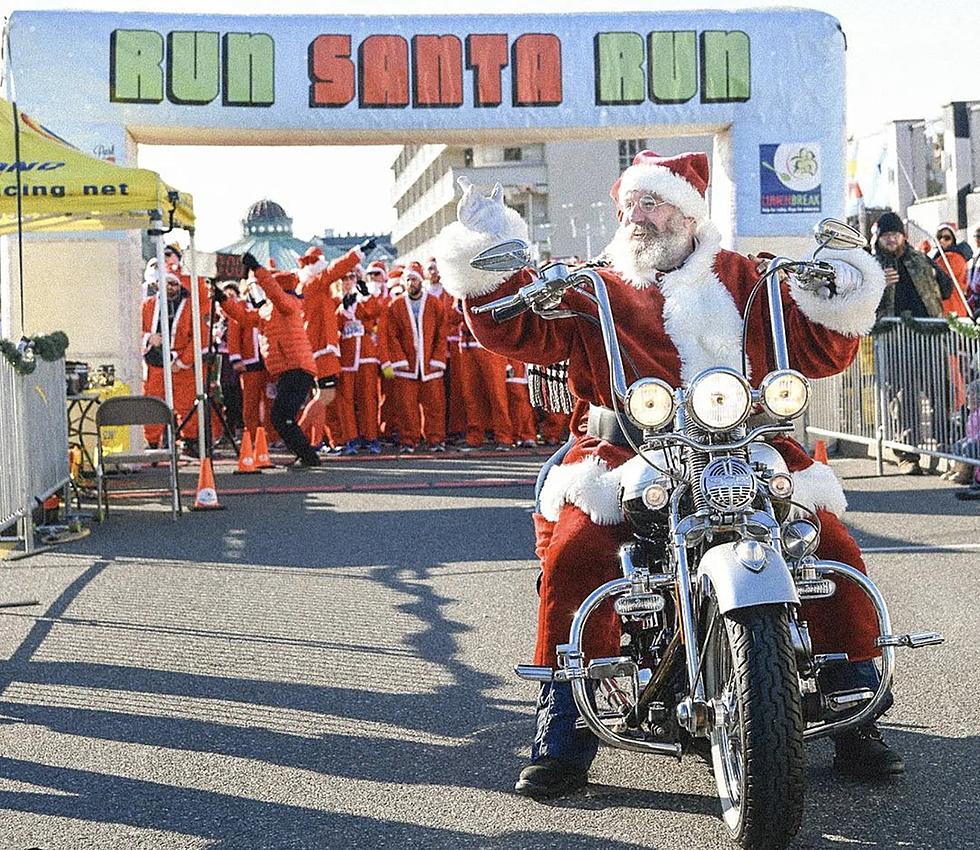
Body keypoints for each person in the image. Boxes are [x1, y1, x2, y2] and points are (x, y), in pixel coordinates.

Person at [437, 153, 899, 797]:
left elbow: (822, 348)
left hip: (745, 444)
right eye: (628, 207)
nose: (637, 219)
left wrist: (840, 288)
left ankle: (856, 705)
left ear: (688, 213)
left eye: (650, 204)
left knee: (832, 548)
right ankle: (564, 722)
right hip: (625, 454)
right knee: (576, 551)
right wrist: (489, 257)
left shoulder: (748, 278)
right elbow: (514, 329)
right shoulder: (593, 284)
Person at [215, 253, 321, 467]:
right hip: (288, 369)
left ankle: (309, 457)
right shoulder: (270, 309)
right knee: (282, 417)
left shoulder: (288, 304)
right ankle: (306, 456)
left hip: (296, 367)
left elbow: (275, 293)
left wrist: (257, 269)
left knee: (281, 417)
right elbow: (243, 317)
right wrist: (222, 299)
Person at [873, 212, 955, 474]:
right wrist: (878, 284)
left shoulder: (920, 259)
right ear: (878, 238)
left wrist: (937, 274)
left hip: (928, 337)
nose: (892, 240)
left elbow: (946, 288)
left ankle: (947, 447)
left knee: (939, 391)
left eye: (895, 234)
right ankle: (907, 455)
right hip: (893, 340)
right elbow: (860, 304)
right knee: (902, 396)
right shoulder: (871, 266)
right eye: (886, 235)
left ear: (903, 236)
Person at [386, 261, 448, 452]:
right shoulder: (395, 305)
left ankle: (435, 439)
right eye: (408, 280)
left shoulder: (434, 303)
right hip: (407, 365)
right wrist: (399, 359)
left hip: (430, 364)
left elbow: (442, 333)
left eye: (414, 279)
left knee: (435, 404)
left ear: (421, 280)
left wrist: (438, 359)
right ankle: (408, 440)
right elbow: (391, 335)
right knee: (406, 405)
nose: (411, 283)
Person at [140, 270, 204, 451]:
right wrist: (149, 337)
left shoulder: (191, 306)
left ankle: (189, 441)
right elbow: (135, 330)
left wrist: (182, 362)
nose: (170, 288)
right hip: (155, 363)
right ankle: (152, 442)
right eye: (167, 283)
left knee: (186, 405)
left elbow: (198, 337)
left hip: (179, 365)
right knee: (153, 404)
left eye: (174, 284)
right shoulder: (148, 305)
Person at [930, 223, 971, 316]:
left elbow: (935, 274)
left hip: (951, 309)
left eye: (947, 238)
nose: (942, 240)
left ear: (953, 240)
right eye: (939, 237)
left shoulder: (953, 257)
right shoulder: (942, 256)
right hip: (952, 308)